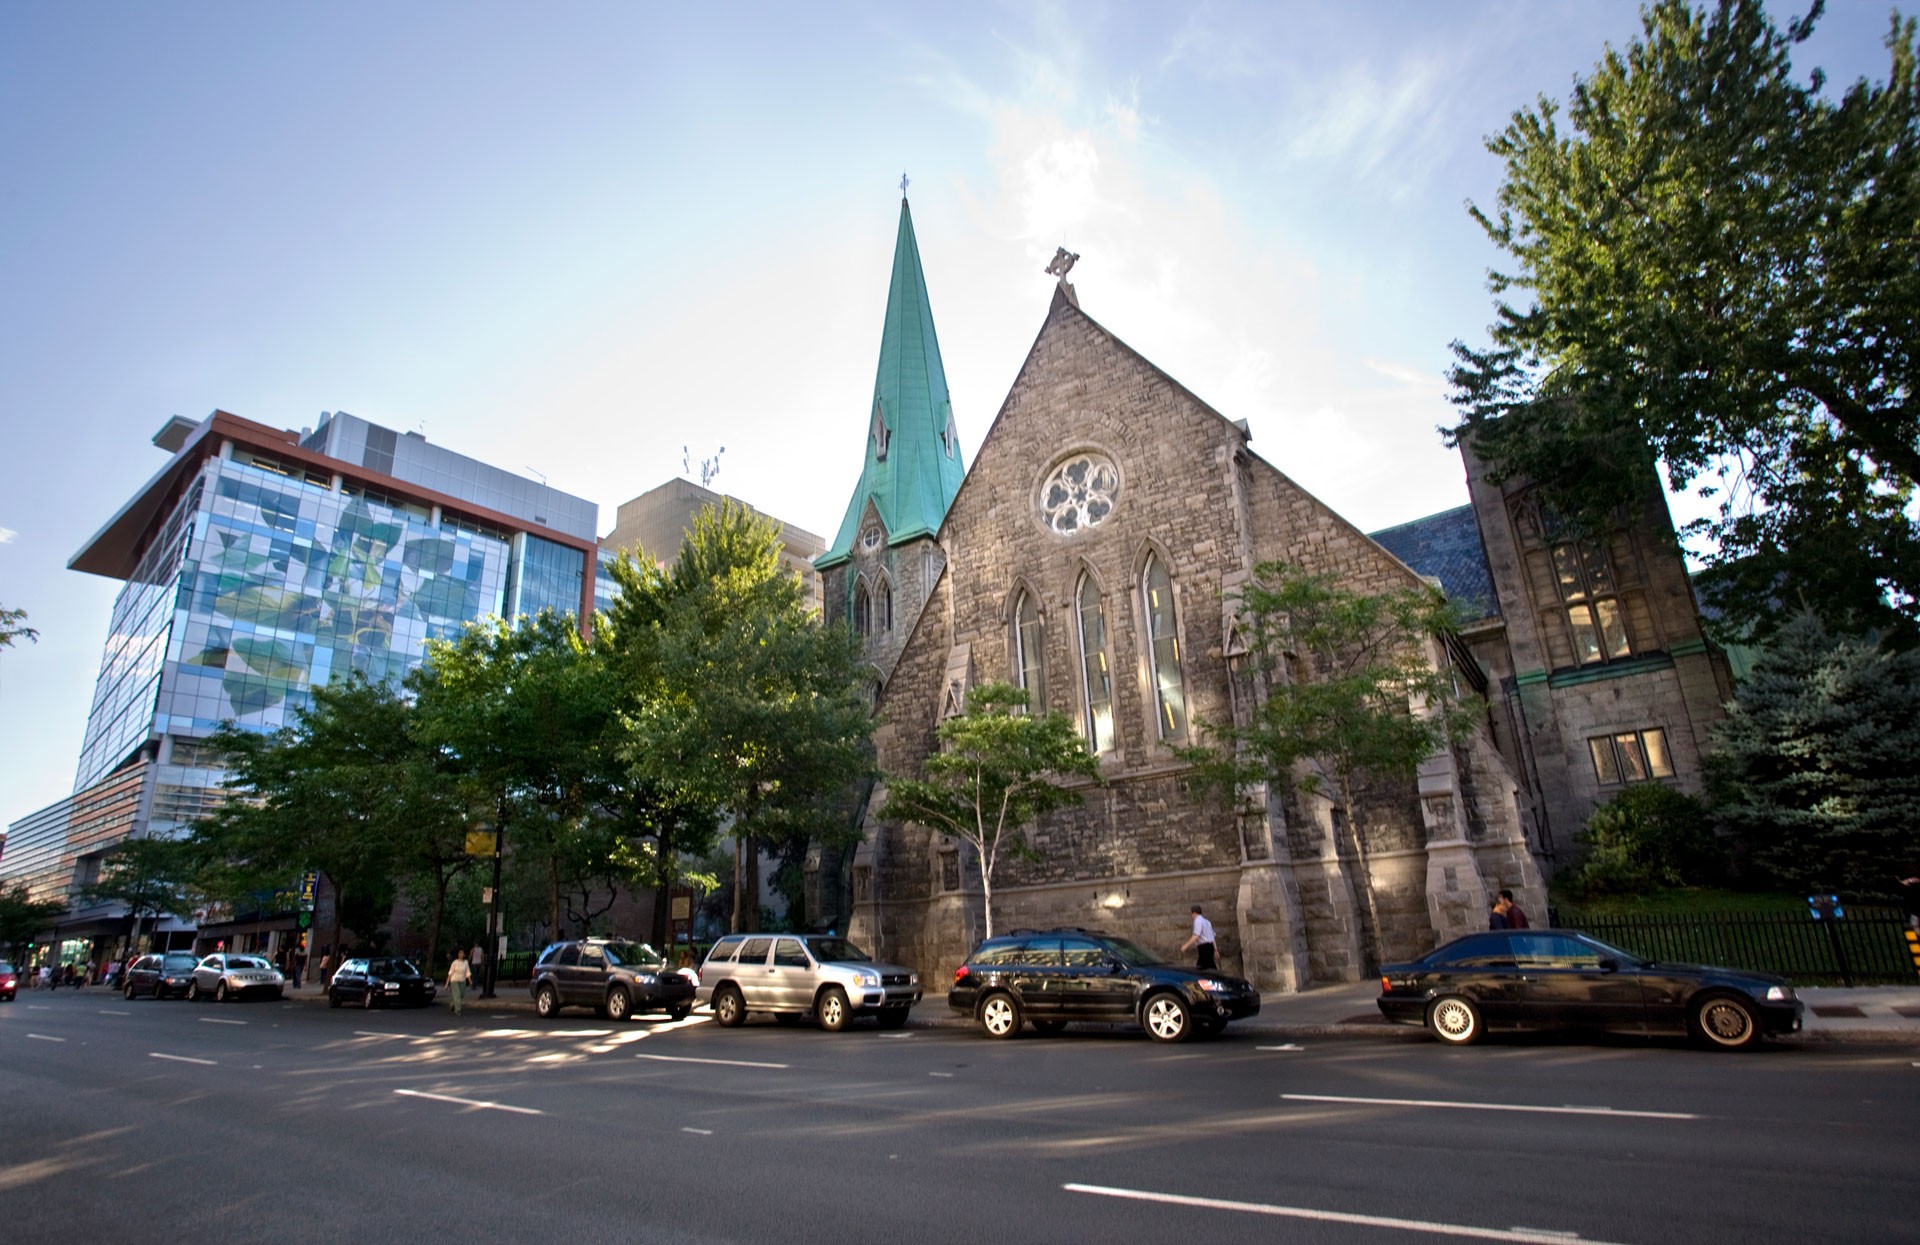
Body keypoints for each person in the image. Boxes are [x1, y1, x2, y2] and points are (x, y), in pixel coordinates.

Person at [1179, 904, 1217, 971]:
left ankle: (1220, 979)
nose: (1192, 916)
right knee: (1207, 966)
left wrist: (1185, 946)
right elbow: (1212, 937)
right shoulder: (1207, 922)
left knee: (1203, 968)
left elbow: (1196, 935)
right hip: (1210, 947)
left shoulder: (1198, 921)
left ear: (1194, 913)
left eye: (1192, 914)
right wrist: (1215, 950)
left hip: (1203, 947)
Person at [446, 948, 472, 1015]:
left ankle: (453, 1003)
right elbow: (450, 973)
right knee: (457, 994)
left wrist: (470, 980)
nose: (461, 954)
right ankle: (458, 1010)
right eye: (460, 953)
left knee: (461, 994)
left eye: (462, 953)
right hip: (454, 980)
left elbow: (467, 971)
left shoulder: (466, 962)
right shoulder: (455, 962)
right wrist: (447, 983)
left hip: (462, 980)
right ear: (458, 954)